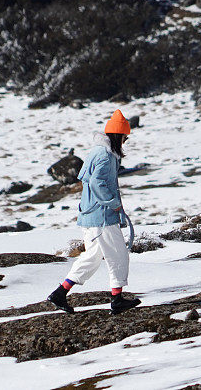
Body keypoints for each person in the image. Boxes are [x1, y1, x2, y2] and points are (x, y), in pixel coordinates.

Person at [47, 109, 140, 315]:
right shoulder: (106, 156)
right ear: (118, 136)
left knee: (93, 257)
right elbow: (97, 182)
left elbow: (87, 179)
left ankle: (60, 293)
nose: (125, 141)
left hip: (89, 215)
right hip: (102, 217)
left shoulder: (96, 152)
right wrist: (113, 202)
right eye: (124, 137)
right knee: (118, 255)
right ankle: (117, 299)